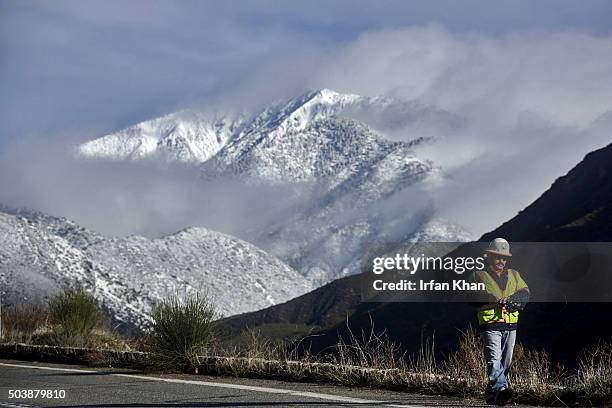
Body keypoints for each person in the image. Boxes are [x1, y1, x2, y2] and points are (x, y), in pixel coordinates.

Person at [471, 238, 530, 406]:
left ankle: (492, 394)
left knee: (506, 362)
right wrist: (490, 298)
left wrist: (515, 300)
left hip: (511, 325)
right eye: (497, 257)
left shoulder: (515, 275)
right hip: (490, 324)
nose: (501, 261)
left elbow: (526, 293)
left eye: (504, 258)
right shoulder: (478, 275)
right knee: (493, 359)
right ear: (489, 256)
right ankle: (502, 389)